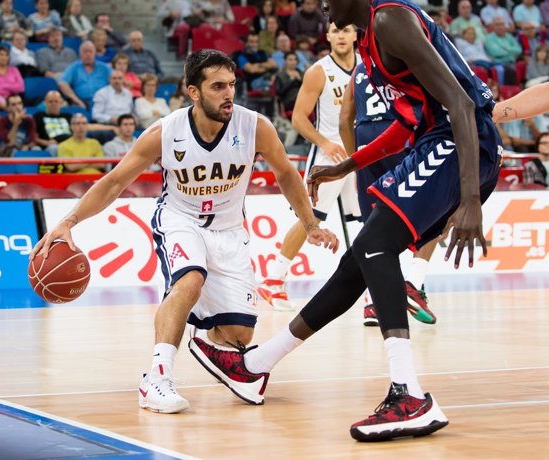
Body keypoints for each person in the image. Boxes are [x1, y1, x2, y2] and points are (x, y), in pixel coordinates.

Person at [190, 0, 502, 442]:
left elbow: (460, 102)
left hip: (460, 142)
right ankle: (254, 367)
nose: (321, 6)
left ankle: (409, 394)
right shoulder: (370, 41)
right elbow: (409, 123)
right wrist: (346, 165)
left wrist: (470, 198)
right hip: (441, 140)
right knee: (358, 261)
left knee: (376, 246)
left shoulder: (391, 20)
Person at [30, 49, 338, 414]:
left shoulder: (255, 126)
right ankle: (156, 379)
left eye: (232, 85)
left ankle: (198, 334)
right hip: (180, 219)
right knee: (188, 281)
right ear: (194, 91)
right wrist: (69, 221)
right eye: (218, 86)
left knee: (238, 336)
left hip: (229, 230)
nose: (229, 94)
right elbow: (114, 183)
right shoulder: (166, 132)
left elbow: (286, 174)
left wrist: (311, 224)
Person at [257, 23, 359, 312]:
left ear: (355, 35)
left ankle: (370, 290)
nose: (341, 35)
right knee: (309, 220)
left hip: (361, 154)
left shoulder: (367, 66)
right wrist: (324, 143)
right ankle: (273, 281)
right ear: (327, 36)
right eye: (335, 30)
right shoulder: (318, 71)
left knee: (364, 222)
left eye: (346, 30)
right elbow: (300, 118)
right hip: (329, 157)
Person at [340, 62, 438, 326]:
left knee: (373, 226)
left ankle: (373, 303)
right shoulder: (402, 58)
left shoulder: (358, 69)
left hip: (364, 140)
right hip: (398, 137)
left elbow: (344, 120)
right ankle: (414, 282)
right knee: (437, 211)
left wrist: (356, 161)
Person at [58, 41, 111, 108]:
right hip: (81, 103)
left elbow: (117, 79)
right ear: (80, 54)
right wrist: (76, 100)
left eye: (90, 51)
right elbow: (62, 83)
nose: (88, 54)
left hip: (103, 103)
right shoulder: (74, 67)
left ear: (95, 53)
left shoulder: (105, 68)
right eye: (85, 52)